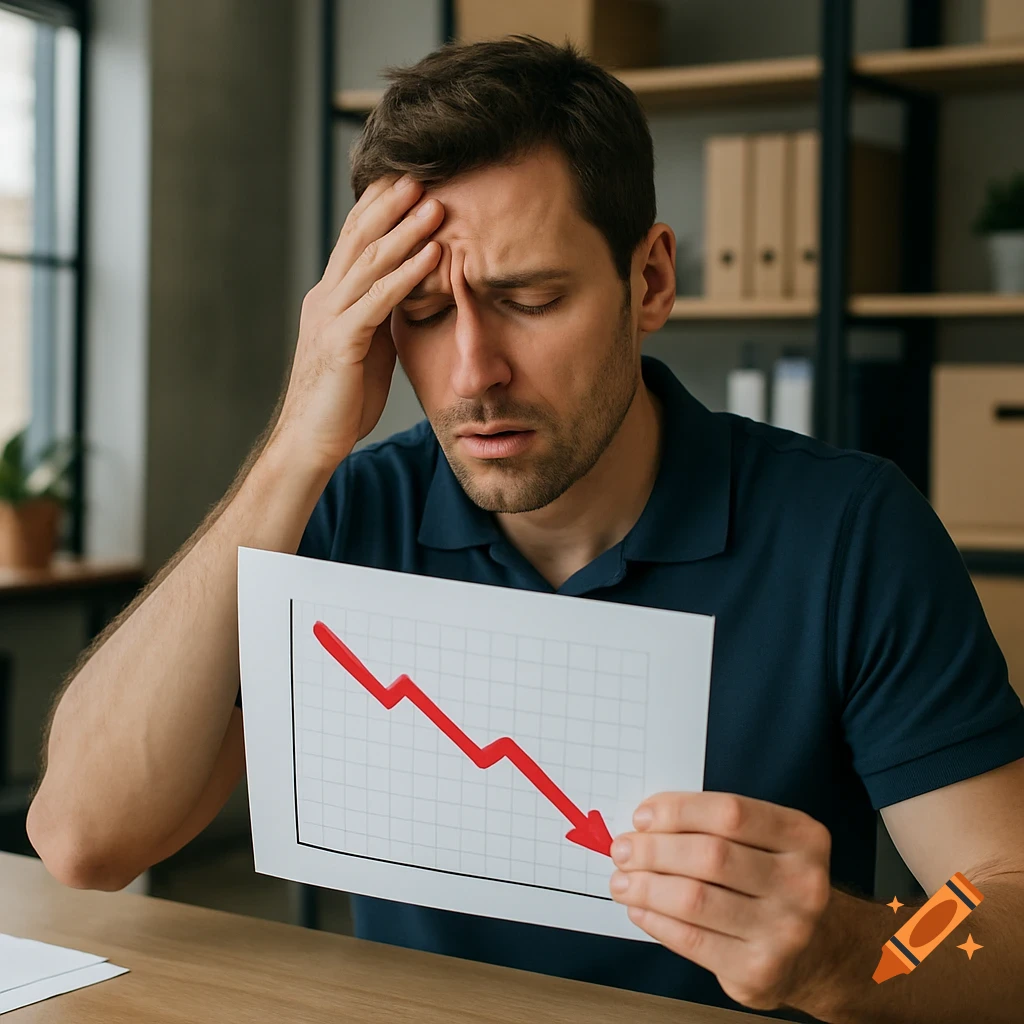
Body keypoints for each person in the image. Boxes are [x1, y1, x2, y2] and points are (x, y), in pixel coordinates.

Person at [27, 35, 1024, 1023]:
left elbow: (1002, 908)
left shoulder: (847, 530)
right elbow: (82, 840)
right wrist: (295, 444)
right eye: (417, 311)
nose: (471, 373)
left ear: (650, 282)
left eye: (528, 298)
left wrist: (854, 952)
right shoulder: (344, 508)